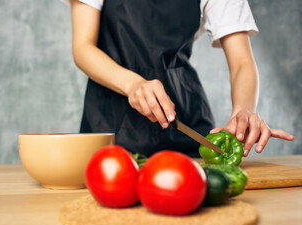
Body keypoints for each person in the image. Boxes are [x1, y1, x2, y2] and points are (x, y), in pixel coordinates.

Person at [62, 0, 294, 157]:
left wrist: (242, 112)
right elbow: (83, 48)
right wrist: (132, 84)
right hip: (108, 126)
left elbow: (242, 62)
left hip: (187, 129)